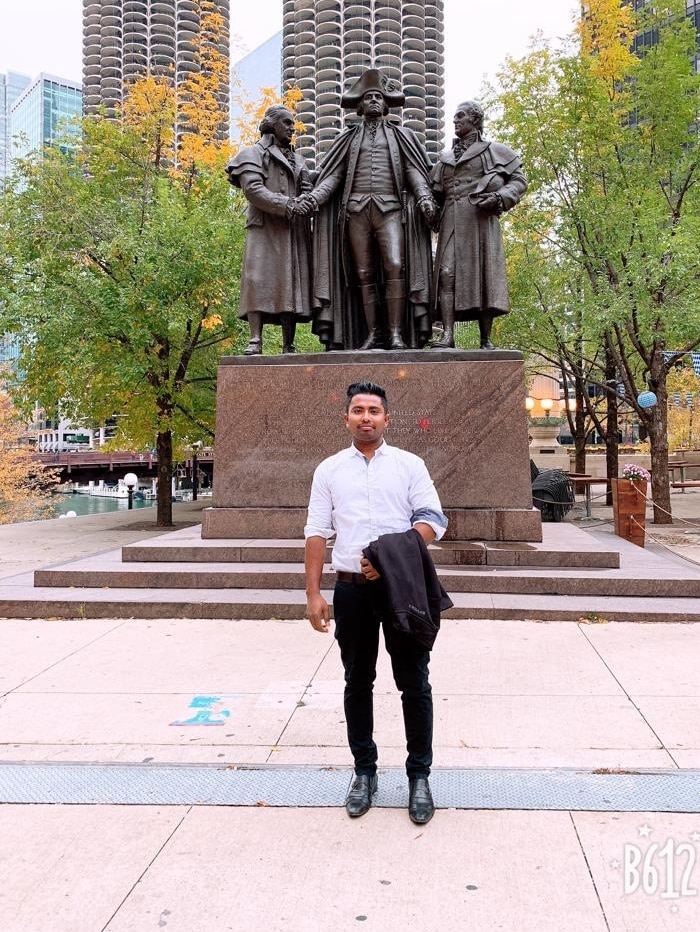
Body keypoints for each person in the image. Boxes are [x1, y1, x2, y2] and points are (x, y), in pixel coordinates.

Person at [304, 381, 448, 824]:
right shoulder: (329, 470)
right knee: (357, 681)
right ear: (346, 417)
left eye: (374, 410)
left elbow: (433, 520)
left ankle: (419, 776)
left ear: (386, 418)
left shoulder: (408, 465)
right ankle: (364, 772)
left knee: (414, 682)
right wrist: (313, 593)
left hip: (401, 589)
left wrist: (389, 555)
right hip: (350, 590)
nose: (366, 417)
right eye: (358, 410)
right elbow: (316, 531)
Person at [305, 69, 437, 351]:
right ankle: (374, 333)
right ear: (361, 106)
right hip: (356, 211)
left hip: (390, 209)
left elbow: (413, 169)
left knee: (395, 266)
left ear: (386, 104)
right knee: (363, 273)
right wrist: (315, 198)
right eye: (369, 97)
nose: (374, 101)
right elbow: (333, 176)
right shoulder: (349, 139)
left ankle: (396, 333)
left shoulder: (401, 136)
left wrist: (424, 196)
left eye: (379, 96)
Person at [431, 100, 527, 349]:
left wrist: (499, 198)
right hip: (451, 221)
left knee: (485, 275)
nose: (455, 120)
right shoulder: (445, 158)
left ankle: (486, 339)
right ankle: (448, 335)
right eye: (454, 116)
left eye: (460, 116)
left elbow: (518, 181)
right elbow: (434, 191)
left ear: (475, 119)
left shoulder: (495, 151)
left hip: (480, 222)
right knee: (445, 274)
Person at [225, 106, 314, 355]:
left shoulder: (299, 159)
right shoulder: (251, 154)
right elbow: (253, 190)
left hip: (291, 231)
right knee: (258, 280)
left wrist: (306, 200)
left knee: (290, 283)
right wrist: (287, 204)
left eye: (293, 124)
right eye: (286, 123)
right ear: (271, 124)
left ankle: (289, 343)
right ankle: (255, 339)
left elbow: (307, 186)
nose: (291, 128)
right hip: (264, 230)